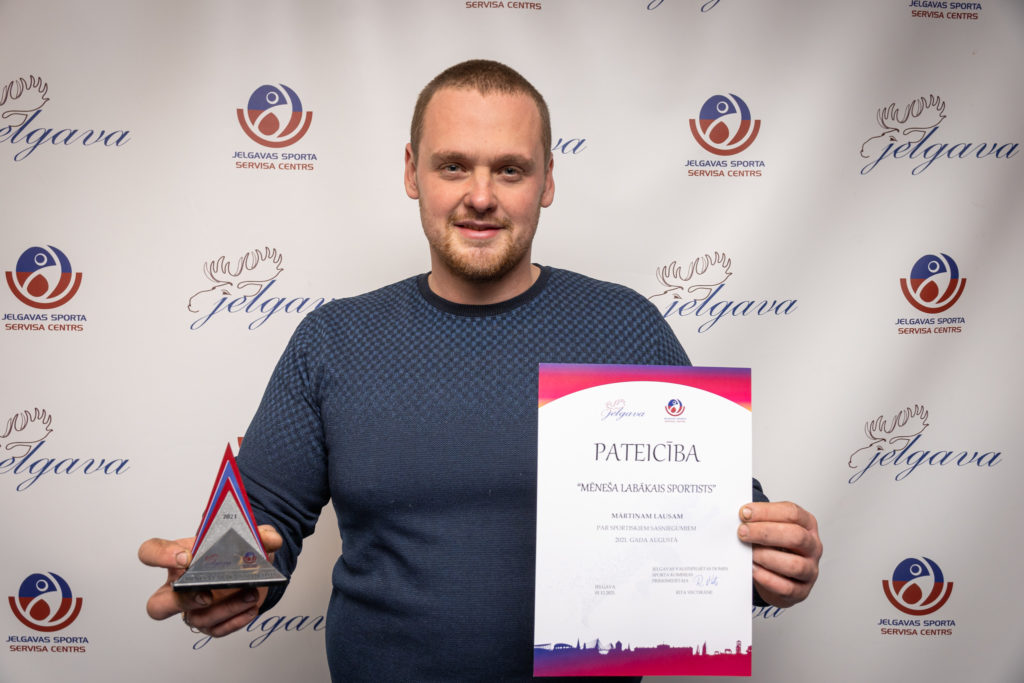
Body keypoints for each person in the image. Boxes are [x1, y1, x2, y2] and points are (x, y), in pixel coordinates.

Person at [139, 59, 822, 682]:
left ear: (548, 179)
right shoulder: (333, 339)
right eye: (453, 166)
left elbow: (718, 527)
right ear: (413, 171)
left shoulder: (626, 328)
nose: (481, 196)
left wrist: (775, 560)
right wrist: (225, 578)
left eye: (511, 170)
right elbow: (263, 523)